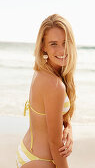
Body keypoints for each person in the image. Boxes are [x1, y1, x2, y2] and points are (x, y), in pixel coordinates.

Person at [16, 13, 77, 168]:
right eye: (53, 44)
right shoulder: (55, 85)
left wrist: (68, 127)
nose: (62, 50)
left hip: (28, 152)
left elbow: (50, 117)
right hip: (40, 162)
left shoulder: (41, 71)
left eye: (65, 42)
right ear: (43, 46)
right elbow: (55, 143)